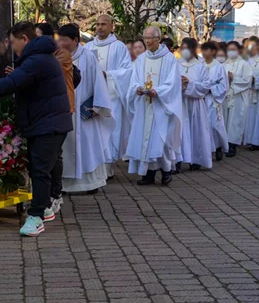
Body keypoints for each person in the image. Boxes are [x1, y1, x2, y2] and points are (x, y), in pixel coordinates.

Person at [0, 22, 72, 237]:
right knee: (43, 167)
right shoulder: (37, 58)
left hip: (49, 124)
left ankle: (36, 217)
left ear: (25, 39)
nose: (11, 46)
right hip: (46, 122)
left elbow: (8, 84)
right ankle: (44, 206)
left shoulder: (37, 60)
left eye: (12, 41)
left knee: (40, 169)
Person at [56, 24, 114, 194]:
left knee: (88, 146)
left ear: (75, 40)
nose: (60, 43)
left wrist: (98, 106)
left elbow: (99, 82)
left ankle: (91, 183)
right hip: (64, 110)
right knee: (65, 147)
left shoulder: (88, 57)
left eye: (64, 40)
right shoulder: (57, 57)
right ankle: (65, 185)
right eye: (59, 39)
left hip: (85, 110)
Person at [124, 25, 182, 185]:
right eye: (145, 38)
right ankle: (148, 174)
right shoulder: (142, 59)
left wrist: (158, 91)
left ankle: (166, 171)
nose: (147, 41)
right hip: (144, 105)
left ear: (158, 39)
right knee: (145, 139)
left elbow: (173, 83)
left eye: (150, 38)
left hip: (162, 106)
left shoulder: (169, 59)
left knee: (161, 139)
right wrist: (136, 88)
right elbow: (134, 78)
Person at [84, 14, 131, 173]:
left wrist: (108, 75)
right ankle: (94, 166)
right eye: (97, 24)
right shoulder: (88, 47)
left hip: (111, 96)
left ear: (112, 27)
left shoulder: (119, 46)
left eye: (103, 24)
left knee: (110, 131)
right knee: (93, 131)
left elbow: (127, 71)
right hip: (92, 96)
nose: (99, 27)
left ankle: (107, 167)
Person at [176, 38, 213, 171]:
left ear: (192, 50)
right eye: (182, 48)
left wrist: (189, 84)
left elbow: (206, 86)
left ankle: (196, 159)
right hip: (179, 103)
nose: (183, 51)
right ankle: (177, 160)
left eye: (186, 48)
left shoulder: (200, 66)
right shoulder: (176, 64)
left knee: (196, 131)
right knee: (179, 132)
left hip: (195, 104)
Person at [222, 41, 251, 157]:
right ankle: (224, 144)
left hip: (238, 96)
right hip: (226, 96)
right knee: (225, 120)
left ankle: (233, 144)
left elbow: (247, 81)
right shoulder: (223, 64)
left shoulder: (244, 64)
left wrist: (233, 78)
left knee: (235, 121)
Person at [201, 42, 229, 161]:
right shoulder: (199, 65)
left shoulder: (219, 67)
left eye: (207, 50)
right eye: (203, 50)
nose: (204, 53)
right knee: (202, 126)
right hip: (201, 99)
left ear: (213, 52)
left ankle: (218, 147)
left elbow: (223, 85)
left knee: (214, 125)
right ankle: (204, 150)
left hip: (213, 99)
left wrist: (211, 89)